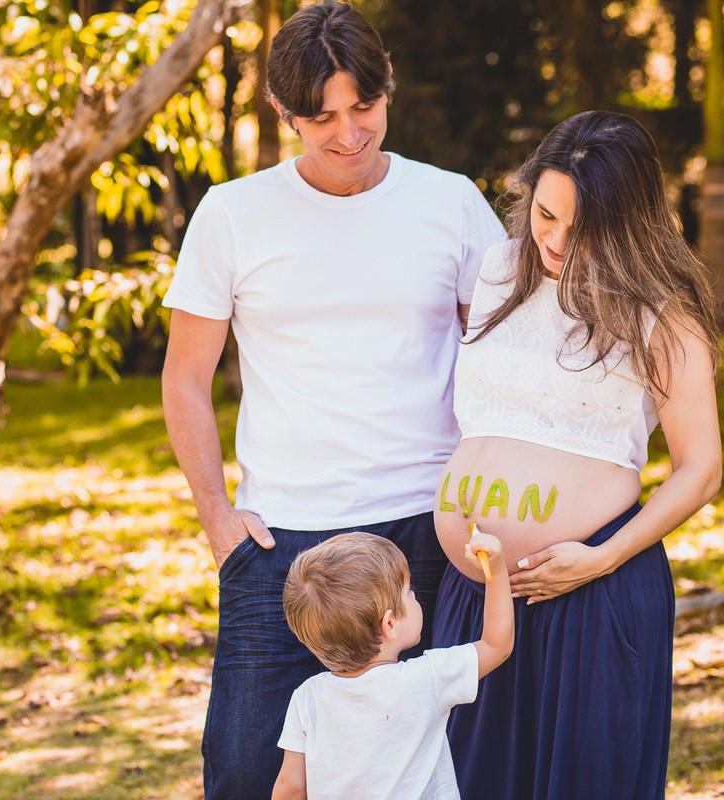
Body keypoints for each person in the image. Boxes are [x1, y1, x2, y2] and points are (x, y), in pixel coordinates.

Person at [159, 1, 506, 796]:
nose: (348, 134)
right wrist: (219, 523)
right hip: (284, 546)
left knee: (429, 771)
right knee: (248, 770)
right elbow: (185, 378)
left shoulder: (450, 203)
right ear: (283, 112)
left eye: (365, 107)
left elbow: (502, 359)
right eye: (321, 118)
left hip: (428, 528)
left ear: (390, 91)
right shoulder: (232, 214)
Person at [430, 109, 723, 799]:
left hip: (590, 589)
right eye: (547, 214)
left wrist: (603, 557)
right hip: (472, 596)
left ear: (628, 223)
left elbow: (702, 469)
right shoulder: (501, 271)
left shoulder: (661, 311)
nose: (557, 239)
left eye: (582, 227)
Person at [271, 531, 513, 800]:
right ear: (389, 625)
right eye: (409, 592)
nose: (414, 596)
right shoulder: (427, 678)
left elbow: (291, 787)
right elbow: (496, 645)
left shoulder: (307, 697)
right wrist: (497, 571)